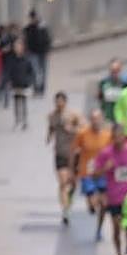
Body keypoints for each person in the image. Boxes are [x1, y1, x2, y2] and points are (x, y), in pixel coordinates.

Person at [94, 125, 127, 254]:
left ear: (124, 136)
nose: (117, 140)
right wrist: (105, 168)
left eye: (120, 137)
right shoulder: (106, 153)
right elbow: (95, 174)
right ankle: (118, 253)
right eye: (115, 137)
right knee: (116, 227)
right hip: (114, 196)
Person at [72, 109, 113, 227]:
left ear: (102, 119)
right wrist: (73, 170)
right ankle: (91, 205)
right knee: (92, 200)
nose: (96, 121)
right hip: (87, 172)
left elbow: (112, 153)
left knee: (104, 203)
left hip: (102, 172)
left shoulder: (108, 134)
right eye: (93, 119)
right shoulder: (82, 134)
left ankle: (100, 225)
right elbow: (74, 151)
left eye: (98, 119)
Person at [47, 92, 81, 224]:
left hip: (73, 154)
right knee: (62, 183)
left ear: (65, 102)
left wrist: (71, 128)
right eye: (57, 101)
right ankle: (65, 210)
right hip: (60, 153)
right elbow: (51, 128)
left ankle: (69, 199)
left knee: (72, 184)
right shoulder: (52, 116)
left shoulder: (73, 115)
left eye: (61, 101)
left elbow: (83, 128)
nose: (59, 104)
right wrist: (49, 136)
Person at [8, 39, 36, 130]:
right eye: (16, 47)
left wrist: (29, 81)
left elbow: (31, 72)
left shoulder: (26, 59)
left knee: (23, 103)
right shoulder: (12, 60)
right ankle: (17, 120)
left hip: (24, 84)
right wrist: (9, 82)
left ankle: (24, 120)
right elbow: (9, 72)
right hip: (15, 84)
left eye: (19, 47)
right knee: (16, 103)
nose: (17, 48)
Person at [22, 10, 52, 96]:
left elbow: (48, 39)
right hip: (33, 52)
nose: (33, 19)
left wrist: (48, 49)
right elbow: (26, 40)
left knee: (43, 71)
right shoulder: (28, 29)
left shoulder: (43, 27)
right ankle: (36, 89)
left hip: (43, 52)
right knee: (35, 71)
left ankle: (42, 89)